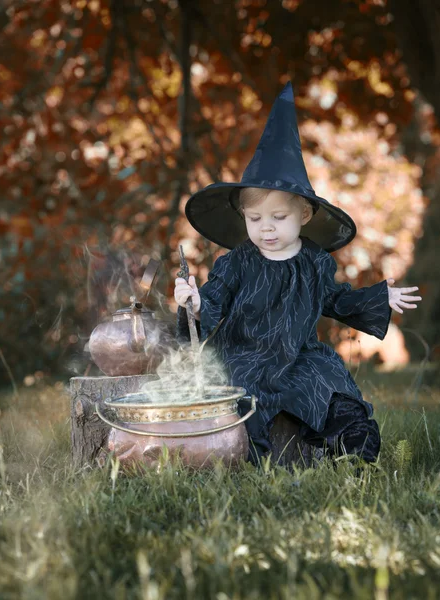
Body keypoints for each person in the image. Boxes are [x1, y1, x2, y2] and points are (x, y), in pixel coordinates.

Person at [174, 83, 422, 465]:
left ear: (304, 215)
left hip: (297, 354)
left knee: (330, 384)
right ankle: (254, 462)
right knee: (244, 396)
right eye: (255, 219)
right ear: (244, 216)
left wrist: (377, 297)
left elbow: (334, 299)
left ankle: (352, 453)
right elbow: (213, 303)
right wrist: (193, 304)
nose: (267, 229)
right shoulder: (237, 261)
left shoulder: (314, 261)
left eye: (279, 217)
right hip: (244, 354)